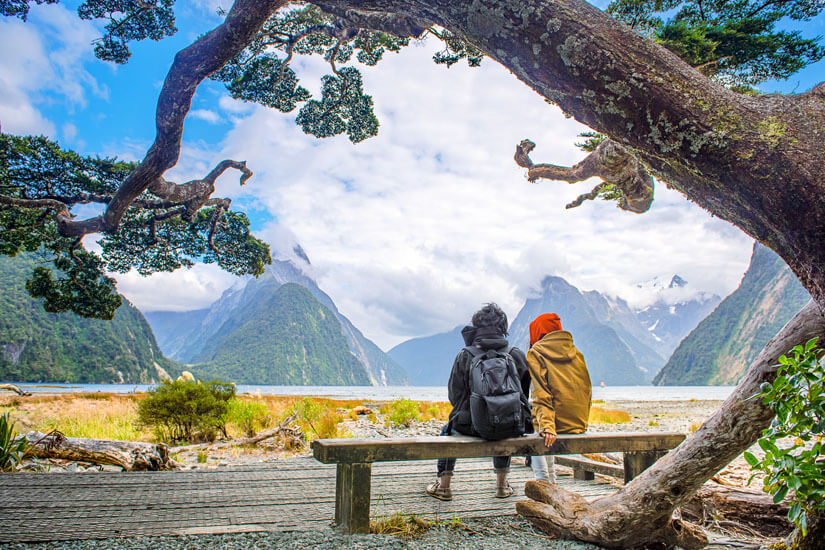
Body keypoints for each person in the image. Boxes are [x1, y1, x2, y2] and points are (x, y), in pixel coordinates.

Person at [426, 303, 530, 501]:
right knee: (505, 418)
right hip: (507, 425)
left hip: (469, 426)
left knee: (448, 430)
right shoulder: (515, 354)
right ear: (503, 328)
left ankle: (444, 487)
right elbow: (522, 394)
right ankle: (502, 486)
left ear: (476, 326)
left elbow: (454, 395)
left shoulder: (465, 355)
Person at [527, 313, 591, 468]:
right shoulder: (576, 353)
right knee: (540, 416)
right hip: (579, 423)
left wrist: (547, 426)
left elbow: (541, 394)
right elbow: (586, 390)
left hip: (556, 425)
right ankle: (551, 476)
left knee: (529, 417)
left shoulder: (536, 353)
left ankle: (542, 477)